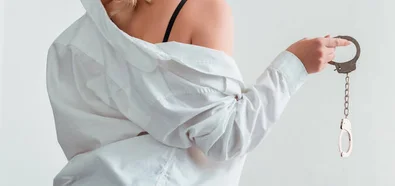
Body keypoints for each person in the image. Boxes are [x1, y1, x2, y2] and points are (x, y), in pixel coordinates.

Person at [46, 0, 350, 185]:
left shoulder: (69, 45)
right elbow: (227, 135)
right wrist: (296, 64)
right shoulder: (202, 9)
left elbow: (82, 143)